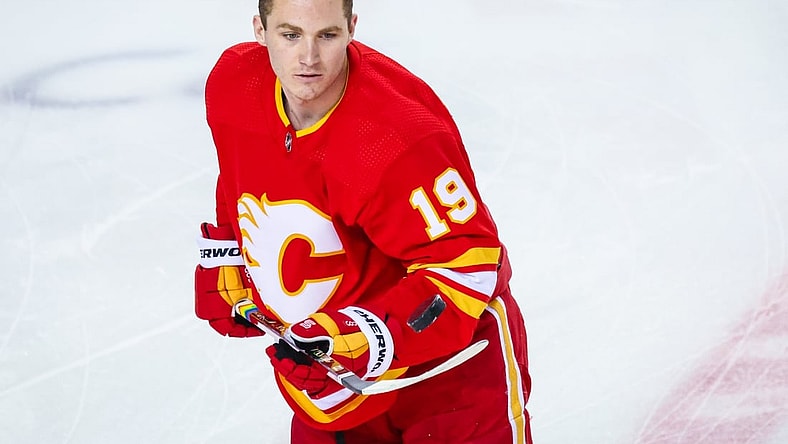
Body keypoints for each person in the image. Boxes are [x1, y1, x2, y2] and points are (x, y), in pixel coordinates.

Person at [194, 0, 533, 442]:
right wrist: (229, 249)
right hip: (335, 383)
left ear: (352, 28)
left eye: (327, 35)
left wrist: (367, 337)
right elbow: (240, 170)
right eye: (290, 34)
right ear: (260, 30)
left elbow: (469, 267)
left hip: (449, 375)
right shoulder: (235, 84)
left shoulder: (394, 136)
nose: (308, 58)